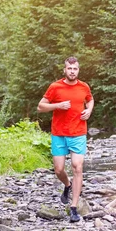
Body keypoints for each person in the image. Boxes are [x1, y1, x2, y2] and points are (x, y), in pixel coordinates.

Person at [37, 57, 94, 222]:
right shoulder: (55, 87)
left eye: (75, 69)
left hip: (78, 133)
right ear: (65, 70)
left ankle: (74, 208)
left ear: (78, 70)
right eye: (69, 68)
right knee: (59, 170)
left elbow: (90, 100)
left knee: (77, 166)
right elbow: (40, 107)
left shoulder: (84, 87)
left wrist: (89, 110)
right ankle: (67, 185)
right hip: (59, 134)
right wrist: (57, 106)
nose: (72, 71)